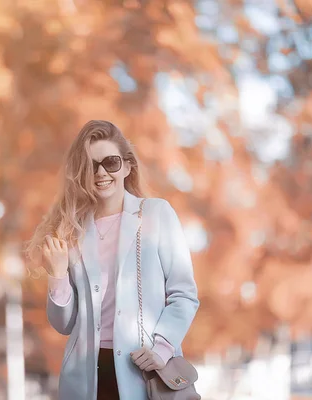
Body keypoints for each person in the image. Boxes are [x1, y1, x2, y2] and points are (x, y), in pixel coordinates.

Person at [27, 120, 199, 399]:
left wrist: (162, 348)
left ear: (127, 166)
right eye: (91, 165)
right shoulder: (73, 231)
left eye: (111, 162)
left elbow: (184, 294)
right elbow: (64, 324)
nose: (101, 172)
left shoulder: (156, 214)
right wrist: (57, 274)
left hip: (144, 370)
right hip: (87, 377)